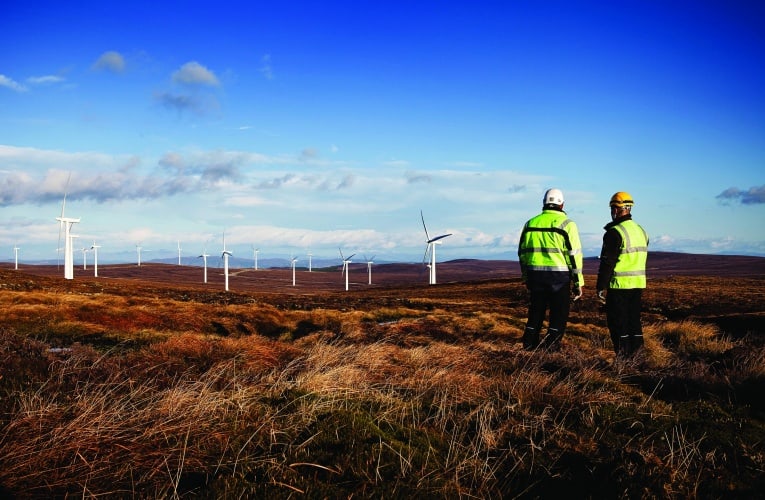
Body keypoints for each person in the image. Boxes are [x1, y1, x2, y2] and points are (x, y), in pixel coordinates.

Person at [518, 188, 584, 350]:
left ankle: (528, 345)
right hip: (559, 278)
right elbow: (574, 256)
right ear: (562, 204)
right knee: (558, 313)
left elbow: (523, 252)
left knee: (536, 311)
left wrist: (526, 276)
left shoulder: (530, 223)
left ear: (544, 203)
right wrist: (578, 282)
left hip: (535, 275)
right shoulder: (568, 224)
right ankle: (551, 348)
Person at [596, 191, 649, 357]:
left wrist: (600, 286)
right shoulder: (641, 231)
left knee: (619, 324)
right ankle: (638, 358)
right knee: (634, 322)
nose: (612, 211)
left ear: (617, 209)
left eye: (613, 207)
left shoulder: (614, 233)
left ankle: (623, 360)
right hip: (637, 285)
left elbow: (607, 262)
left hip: (619, 285)